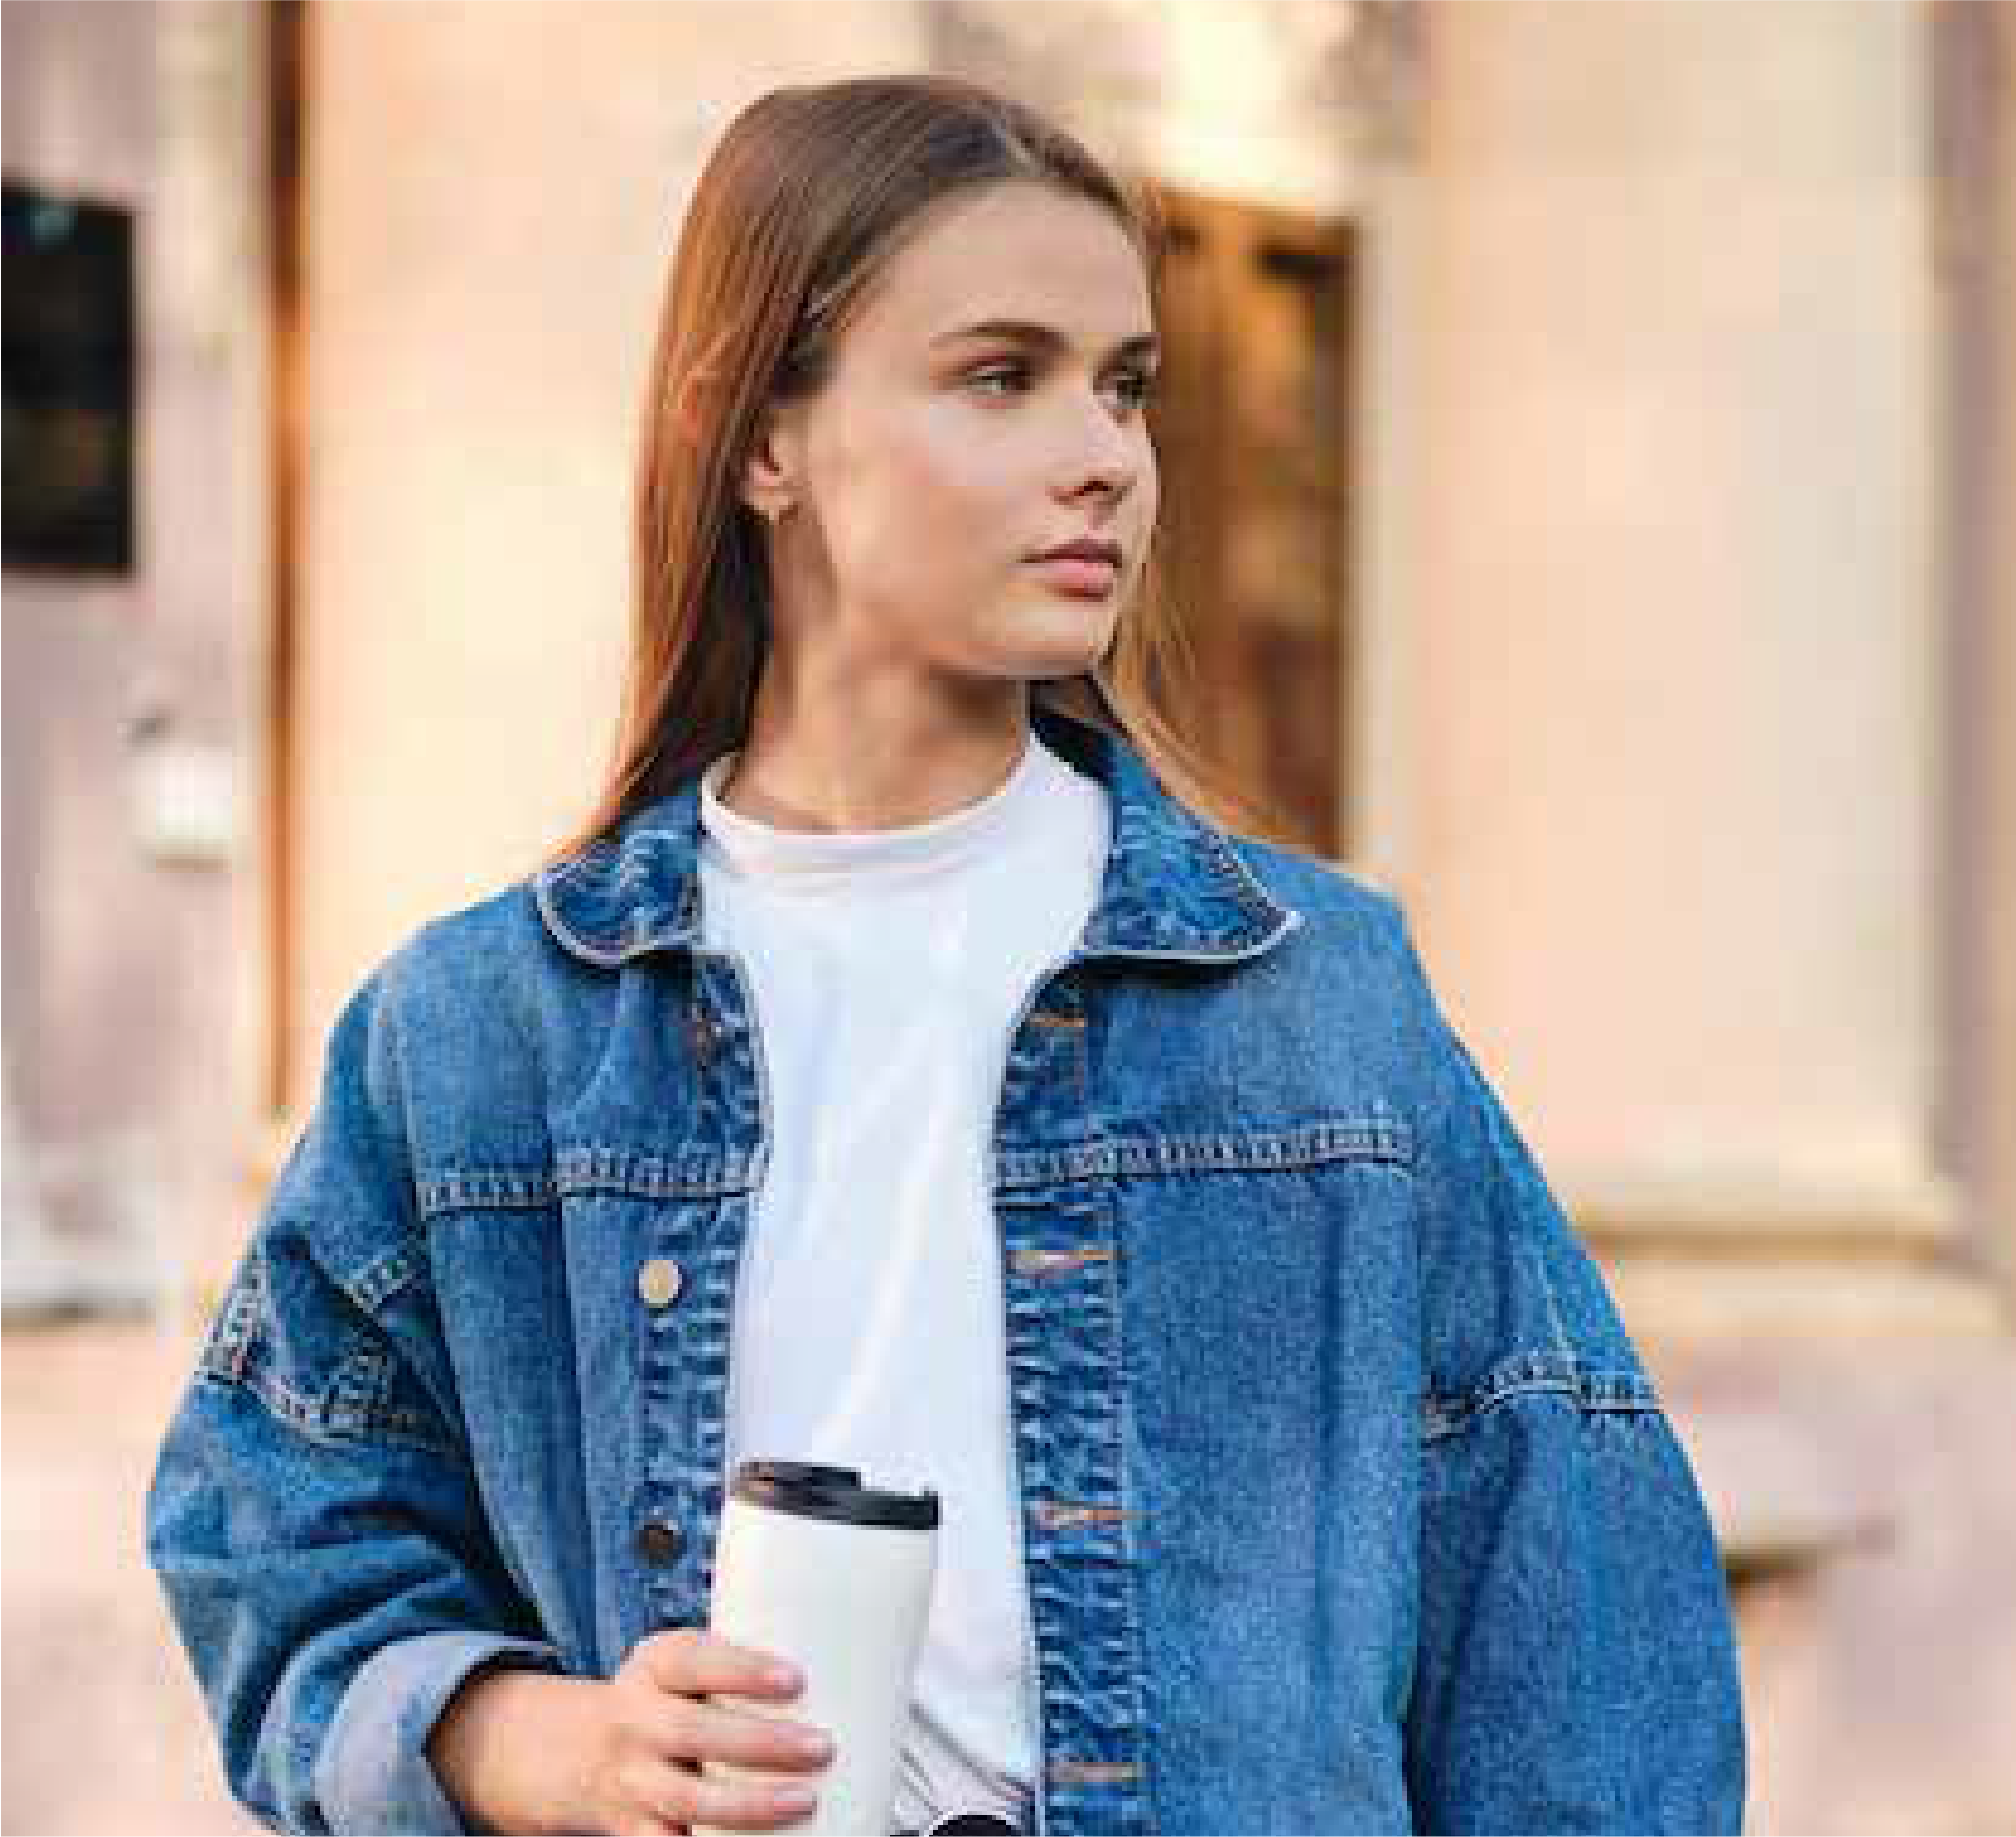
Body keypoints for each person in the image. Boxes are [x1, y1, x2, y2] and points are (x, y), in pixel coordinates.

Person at [144, 72, 1747, 1837]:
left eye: (1125, 385)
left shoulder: (1318, 1005)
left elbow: (1575, 1643)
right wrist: (537, 1742)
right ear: (767, 440)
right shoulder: (483, 1039)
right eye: (1004, 375)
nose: (1107, 456)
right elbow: (270, 1533)